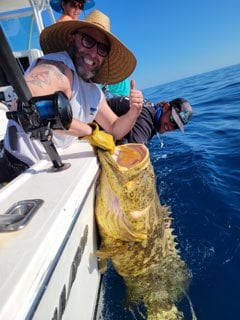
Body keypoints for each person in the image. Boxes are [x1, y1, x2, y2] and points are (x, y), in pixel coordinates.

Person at [1, 10, 143, 182]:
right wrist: (90, 131)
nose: (93, 53)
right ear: (71, 39)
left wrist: (133, 113)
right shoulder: (57, 67)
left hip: (54, 167)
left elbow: (115, 128)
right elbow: (28, 108)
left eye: (102, 49)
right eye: (88, 41)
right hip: (22, 170)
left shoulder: (94, 92)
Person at [107, 96, 192, 144]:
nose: (171, 127)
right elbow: (136, 152)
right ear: (166, 107)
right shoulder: (146, 118)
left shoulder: (152, 110)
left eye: (176, 126)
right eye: (172, 119)